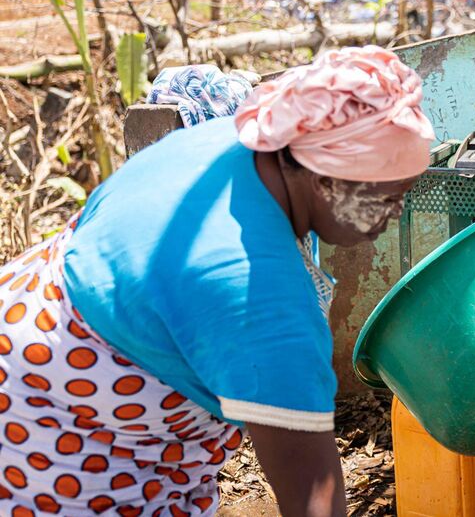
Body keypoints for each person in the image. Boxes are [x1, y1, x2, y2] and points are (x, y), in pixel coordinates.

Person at [0, 46, 434, 516]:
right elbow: (312, 495)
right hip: (59, 441)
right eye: (388, 195)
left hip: (26, 327)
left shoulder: (222, 145)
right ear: (324, 176)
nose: (395, 213)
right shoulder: (257, 297)